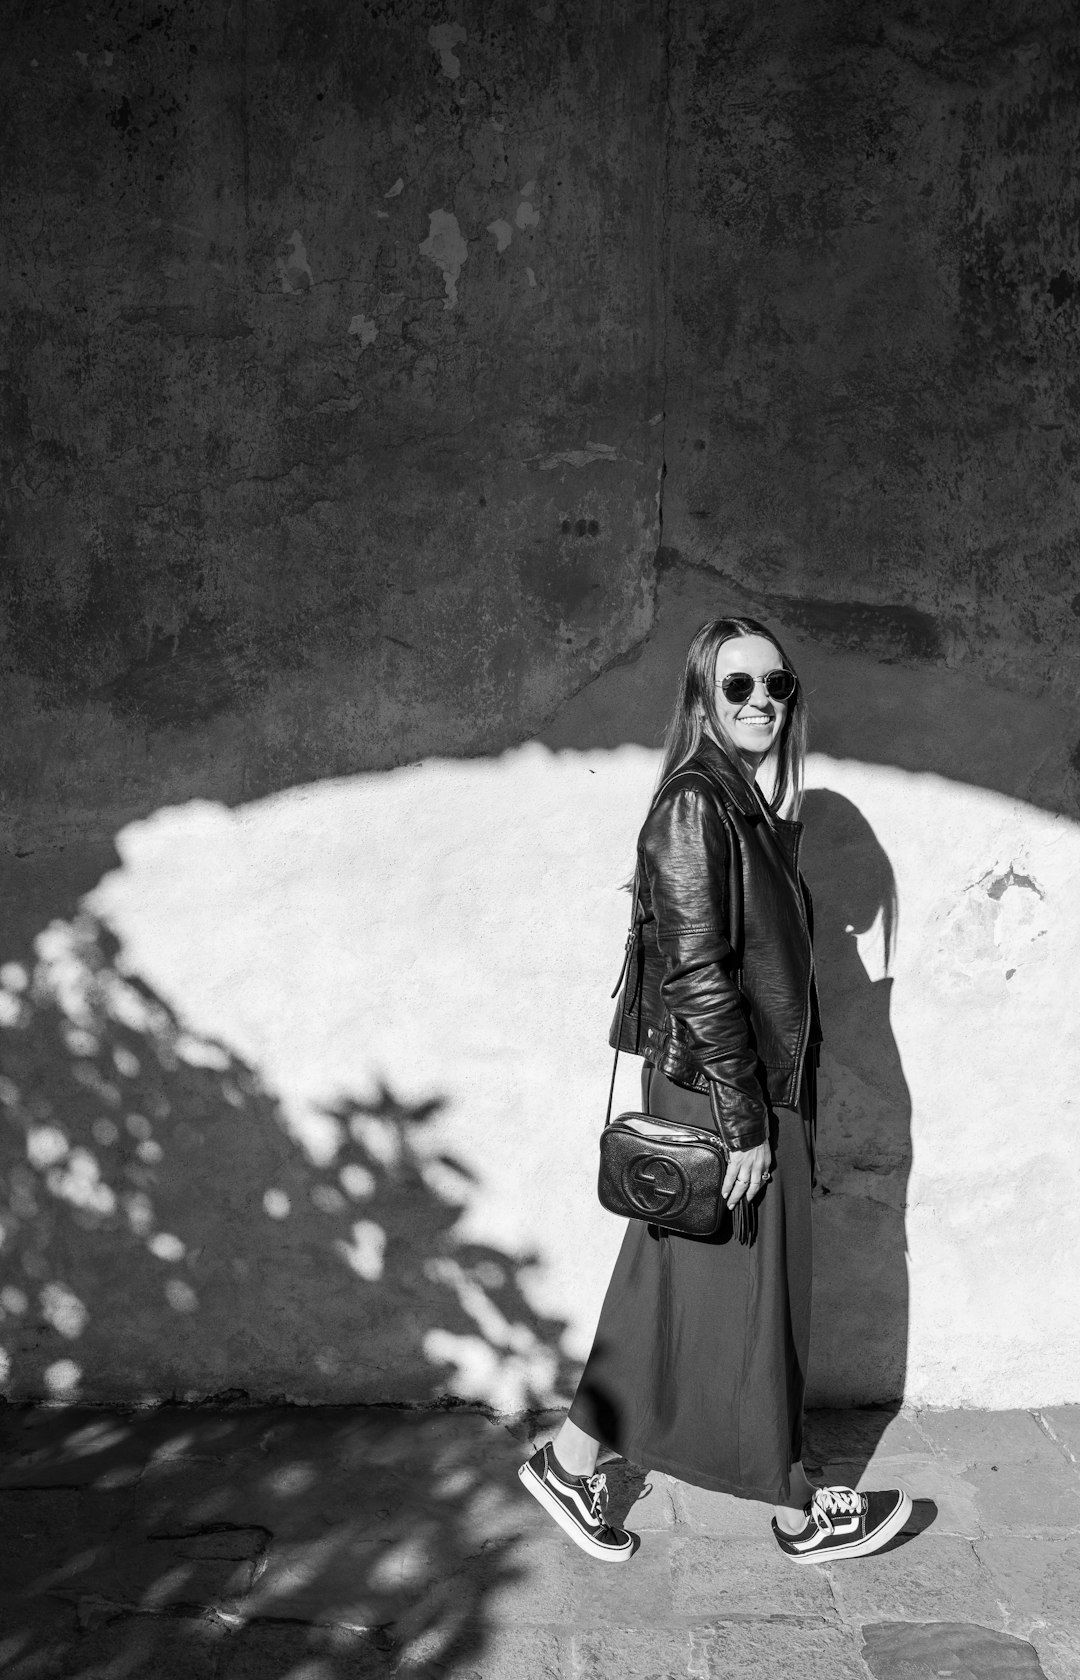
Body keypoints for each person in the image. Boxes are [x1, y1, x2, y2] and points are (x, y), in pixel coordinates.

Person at [519, 616, 911, 1564]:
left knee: (675, 1283)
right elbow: (698, 973)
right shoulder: (700, 806)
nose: (762, 704)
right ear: (702, 697)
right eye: (738, 687)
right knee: (746, 1290)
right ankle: (795, 1504)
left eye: (778, 686)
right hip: (723, 1092)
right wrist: (744, 1123)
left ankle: (571, 1466)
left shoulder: (746, 809)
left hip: (735, 1087)